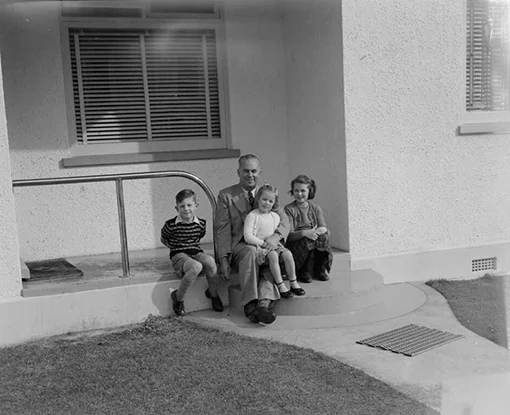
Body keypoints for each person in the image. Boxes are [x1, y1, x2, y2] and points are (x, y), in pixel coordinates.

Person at [215, 154, 290, 324]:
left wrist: (276, 237)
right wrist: (223, 259)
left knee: (272, 255)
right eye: (246, 171)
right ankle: (251, 304)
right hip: (241, 245)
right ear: (238, 172)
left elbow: (284, 219)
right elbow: (222, 229)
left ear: (259, 172)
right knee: (250, 252)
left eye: (254, 171)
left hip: (265, 242)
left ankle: (263, 306)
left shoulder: (267, 193)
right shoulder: (226, 195)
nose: (250, 175)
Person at [161, 189, 224, 317]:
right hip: (178, 254)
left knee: (211, 262)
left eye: (189, 205)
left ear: (196, 206)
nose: (186, 209)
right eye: (182, 206)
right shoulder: (171, 225)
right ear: (176, 208)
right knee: (196, 267)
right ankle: (178, 298)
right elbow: (164, 238)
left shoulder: (201, 224)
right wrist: (172, 247)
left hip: (195, 251)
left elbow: (198, 238)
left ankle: (213, 292)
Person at [243, 184, 306, 299]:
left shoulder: (275, 217)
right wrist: (263, 244)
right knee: (273, 256)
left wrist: (275, 242)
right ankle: (280, 284)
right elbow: (248, 236)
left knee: (288, 254)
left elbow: (277, 232)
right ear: (258, 199)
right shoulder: (252, 216)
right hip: (261, 247)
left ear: (274, 203)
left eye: (270, 201)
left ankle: (293, 282)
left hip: (274, 245)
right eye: (264, 199)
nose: (267, 203)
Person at [284, 174, 333, 283]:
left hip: (314, 237)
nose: (299, 194)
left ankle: (319, 268)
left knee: (323, 237)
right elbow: (289, 235)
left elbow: (323, 226)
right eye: (296, 190)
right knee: (306, 240)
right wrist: (305, 233)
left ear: (309, 191)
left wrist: (318, 231)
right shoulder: (289, 209)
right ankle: (303, 270)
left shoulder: (315, 208)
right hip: (297, 240)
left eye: (303, 191)